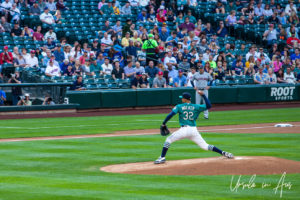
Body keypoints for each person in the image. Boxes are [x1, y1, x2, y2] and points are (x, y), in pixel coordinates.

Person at [154, 92, 233, 164]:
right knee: (205, 146)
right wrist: (204, 95)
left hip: (184, 130)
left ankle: (162, 157)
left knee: (168, 139)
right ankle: (224, 153)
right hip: (193, 131)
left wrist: (164, 123)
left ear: (185, 99)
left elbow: (170, 115)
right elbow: (209, 106)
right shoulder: (196, 106)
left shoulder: (179, 106)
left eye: (182, 98)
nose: (181, 99)